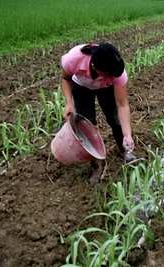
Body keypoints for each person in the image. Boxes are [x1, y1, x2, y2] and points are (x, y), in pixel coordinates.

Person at [60, 42, 136, 184]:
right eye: (108, 75)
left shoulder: (116, 72)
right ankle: (95, 164)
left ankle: (124, 150)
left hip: (105, 88)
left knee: (115, 119)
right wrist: (69, 103)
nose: (111, 77)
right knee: (87, 124)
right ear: (95, 66)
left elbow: (122, 104)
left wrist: (127, 135)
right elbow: (65, 78)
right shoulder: (74, 59)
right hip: (81, 86)